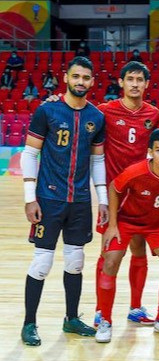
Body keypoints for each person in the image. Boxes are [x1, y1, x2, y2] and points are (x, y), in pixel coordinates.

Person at [20, 56, 106, 346]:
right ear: (65, 78)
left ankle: (71, 319)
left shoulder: (97, 117)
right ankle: (29, 323)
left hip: (80, 202)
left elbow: (98, 162)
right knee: (42, 263)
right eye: (76, 76)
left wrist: (102, 200)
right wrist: (30, 198)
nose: (81, 82)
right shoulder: (47, 111)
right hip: (48, 199)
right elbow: (30, 154)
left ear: (92, 81)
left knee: (76, 262)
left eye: (86, 77)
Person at [94, 127, 159, 343]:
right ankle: (105, 321)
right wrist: (112, 224)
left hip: (156, 223)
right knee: (110, 262)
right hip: (126, 221)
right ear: (150, 152)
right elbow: (113, 188)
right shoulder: (135, 171)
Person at [95, 61, 159, 326]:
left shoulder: (154, 114)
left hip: (142, 195)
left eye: (140, 80)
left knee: (139, 251)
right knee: (108, 255)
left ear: (146, 84)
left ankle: (136, 307)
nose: (135, 84)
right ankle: (101, 310)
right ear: (121, 83)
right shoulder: (104, 111)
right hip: (112, 196)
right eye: (130, 79)